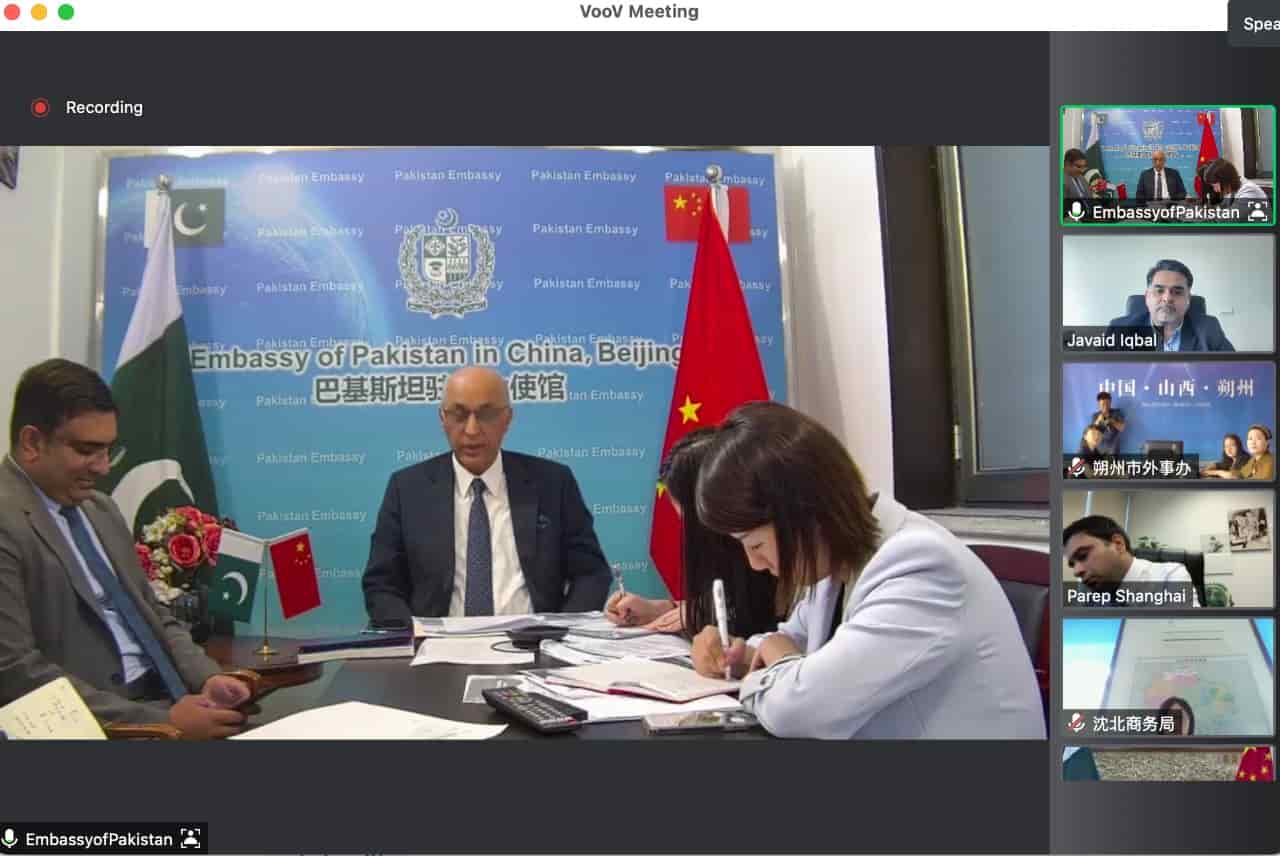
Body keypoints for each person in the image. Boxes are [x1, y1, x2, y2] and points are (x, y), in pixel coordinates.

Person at [688, 401, 1045, 739]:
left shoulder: (919, 565)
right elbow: (792, 639)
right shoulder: (836, 561)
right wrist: (738, 655)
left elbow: (802, 708)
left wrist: (777, 662)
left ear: (803, 513)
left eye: (756, 545)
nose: (755, 563)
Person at [0, 359, 251, 737]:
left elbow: (152, 612)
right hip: (107, 724)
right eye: (87, 450)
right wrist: (159, 723)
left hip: (172, 700)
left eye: (107, 451)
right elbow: (15, 670)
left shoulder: (101, 509)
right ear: (32, 443)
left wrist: (207, 678)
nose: (103, 468)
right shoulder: (7, 521)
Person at [362, 366, 611, 623]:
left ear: (507, 419)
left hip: (534, 641)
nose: (472, 430)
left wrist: (560, 632)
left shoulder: (553, 482)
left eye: (487, 415)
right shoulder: (407, 489)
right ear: (442, 419)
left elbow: (591, 574)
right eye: (459, 415)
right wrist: (417, 636)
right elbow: (381, 585)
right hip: (437, 642)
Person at [604, 428, 779, 639]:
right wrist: (665, 608)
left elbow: (763, 623)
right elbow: (737, 602)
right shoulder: (735, 563)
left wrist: (702, 616)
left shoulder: (778, 566)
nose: (756, 562)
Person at [1062, 515, 1201, 607]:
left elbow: (1183, 634)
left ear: (1118, 544)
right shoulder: (1092, 596)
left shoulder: (1169, 577)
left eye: (1083, 555)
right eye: (1072, 564)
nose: (1077, 571)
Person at [1105, 260, 1234, 352]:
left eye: (1177, 292)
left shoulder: (1209, 329)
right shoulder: (1119, 330)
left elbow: (1234, 371)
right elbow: (1101, 374)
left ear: (1188, 299)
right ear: (1147, 297)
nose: (1167, 298)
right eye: (1159, 291)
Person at [1203, 158, 1269, 218]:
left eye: (1215, 186)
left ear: (1225, 180)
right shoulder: (1232, 190)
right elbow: (1221, 208)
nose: (1215, 190)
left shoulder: (1249, 191)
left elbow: (1229, 219)